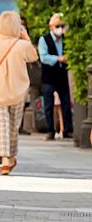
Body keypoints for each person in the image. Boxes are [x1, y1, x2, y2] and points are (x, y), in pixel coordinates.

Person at [0, 11, 38, 175]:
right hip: (18, 91)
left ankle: (5, 159)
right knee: (13, 125)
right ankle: (11, 156)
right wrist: (26, 37)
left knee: (1, 124)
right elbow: (34, 57)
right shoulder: (22, 45)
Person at [38, 13, 73, 141]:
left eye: (62, 26)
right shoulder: (44, 39)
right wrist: (58, 58)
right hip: (48, 77)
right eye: (58, 25)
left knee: (66, 103)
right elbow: (43, 57)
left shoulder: (65, 39)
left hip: (61, 76)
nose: (60, 28)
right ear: (51, 26)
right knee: (48, 105)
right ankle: (50, 131)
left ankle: (67, 130)